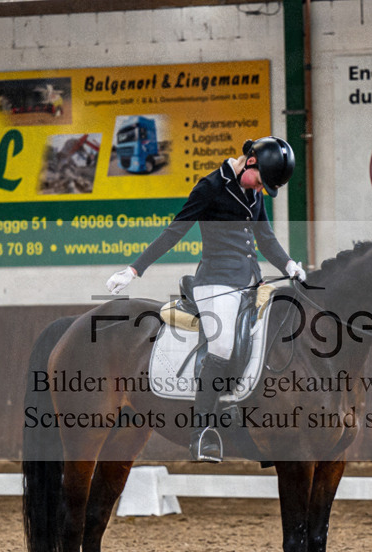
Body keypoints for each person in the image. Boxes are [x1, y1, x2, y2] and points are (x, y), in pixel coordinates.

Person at [105, 136, 306, 462]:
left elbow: (265, 237)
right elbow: (175, 231)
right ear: (250, 162)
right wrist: (133, 269)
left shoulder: (253, 190)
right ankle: (203, 431)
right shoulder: (210, 187)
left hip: (250, 282)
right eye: (260, 182)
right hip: (215, 281)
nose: (259, 190)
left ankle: (247, 415)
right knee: (223, 345)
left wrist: (289, 265)